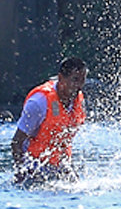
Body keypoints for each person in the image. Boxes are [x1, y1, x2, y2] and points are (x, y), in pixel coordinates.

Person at [10, 57, 88, 185]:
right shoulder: (39, 102)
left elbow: (65, 141)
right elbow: (16, 142)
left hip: (59, 165)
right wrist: (21, 173)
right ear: (61, 78)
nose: (79, 86)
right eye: (75, 80)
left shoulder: (79, 101)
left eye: (82, 80)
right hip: (34, 166)